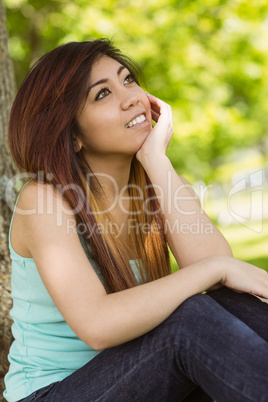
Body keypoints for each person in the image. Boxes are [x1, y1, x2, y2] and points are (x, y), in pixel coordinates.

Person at [3, 38, 268, 402]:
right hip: (55, 393)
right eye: (102, 95)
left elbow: (217, 273)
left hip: (139, 376)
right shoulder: (45, 200)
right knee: (188, 320)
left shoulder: (161, 183)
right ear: (73, 135)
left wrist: (156, 160)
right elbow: (96, 325)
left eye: (128, 80)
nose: (130, 97)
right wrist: (218, 269)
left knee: (227, 305)